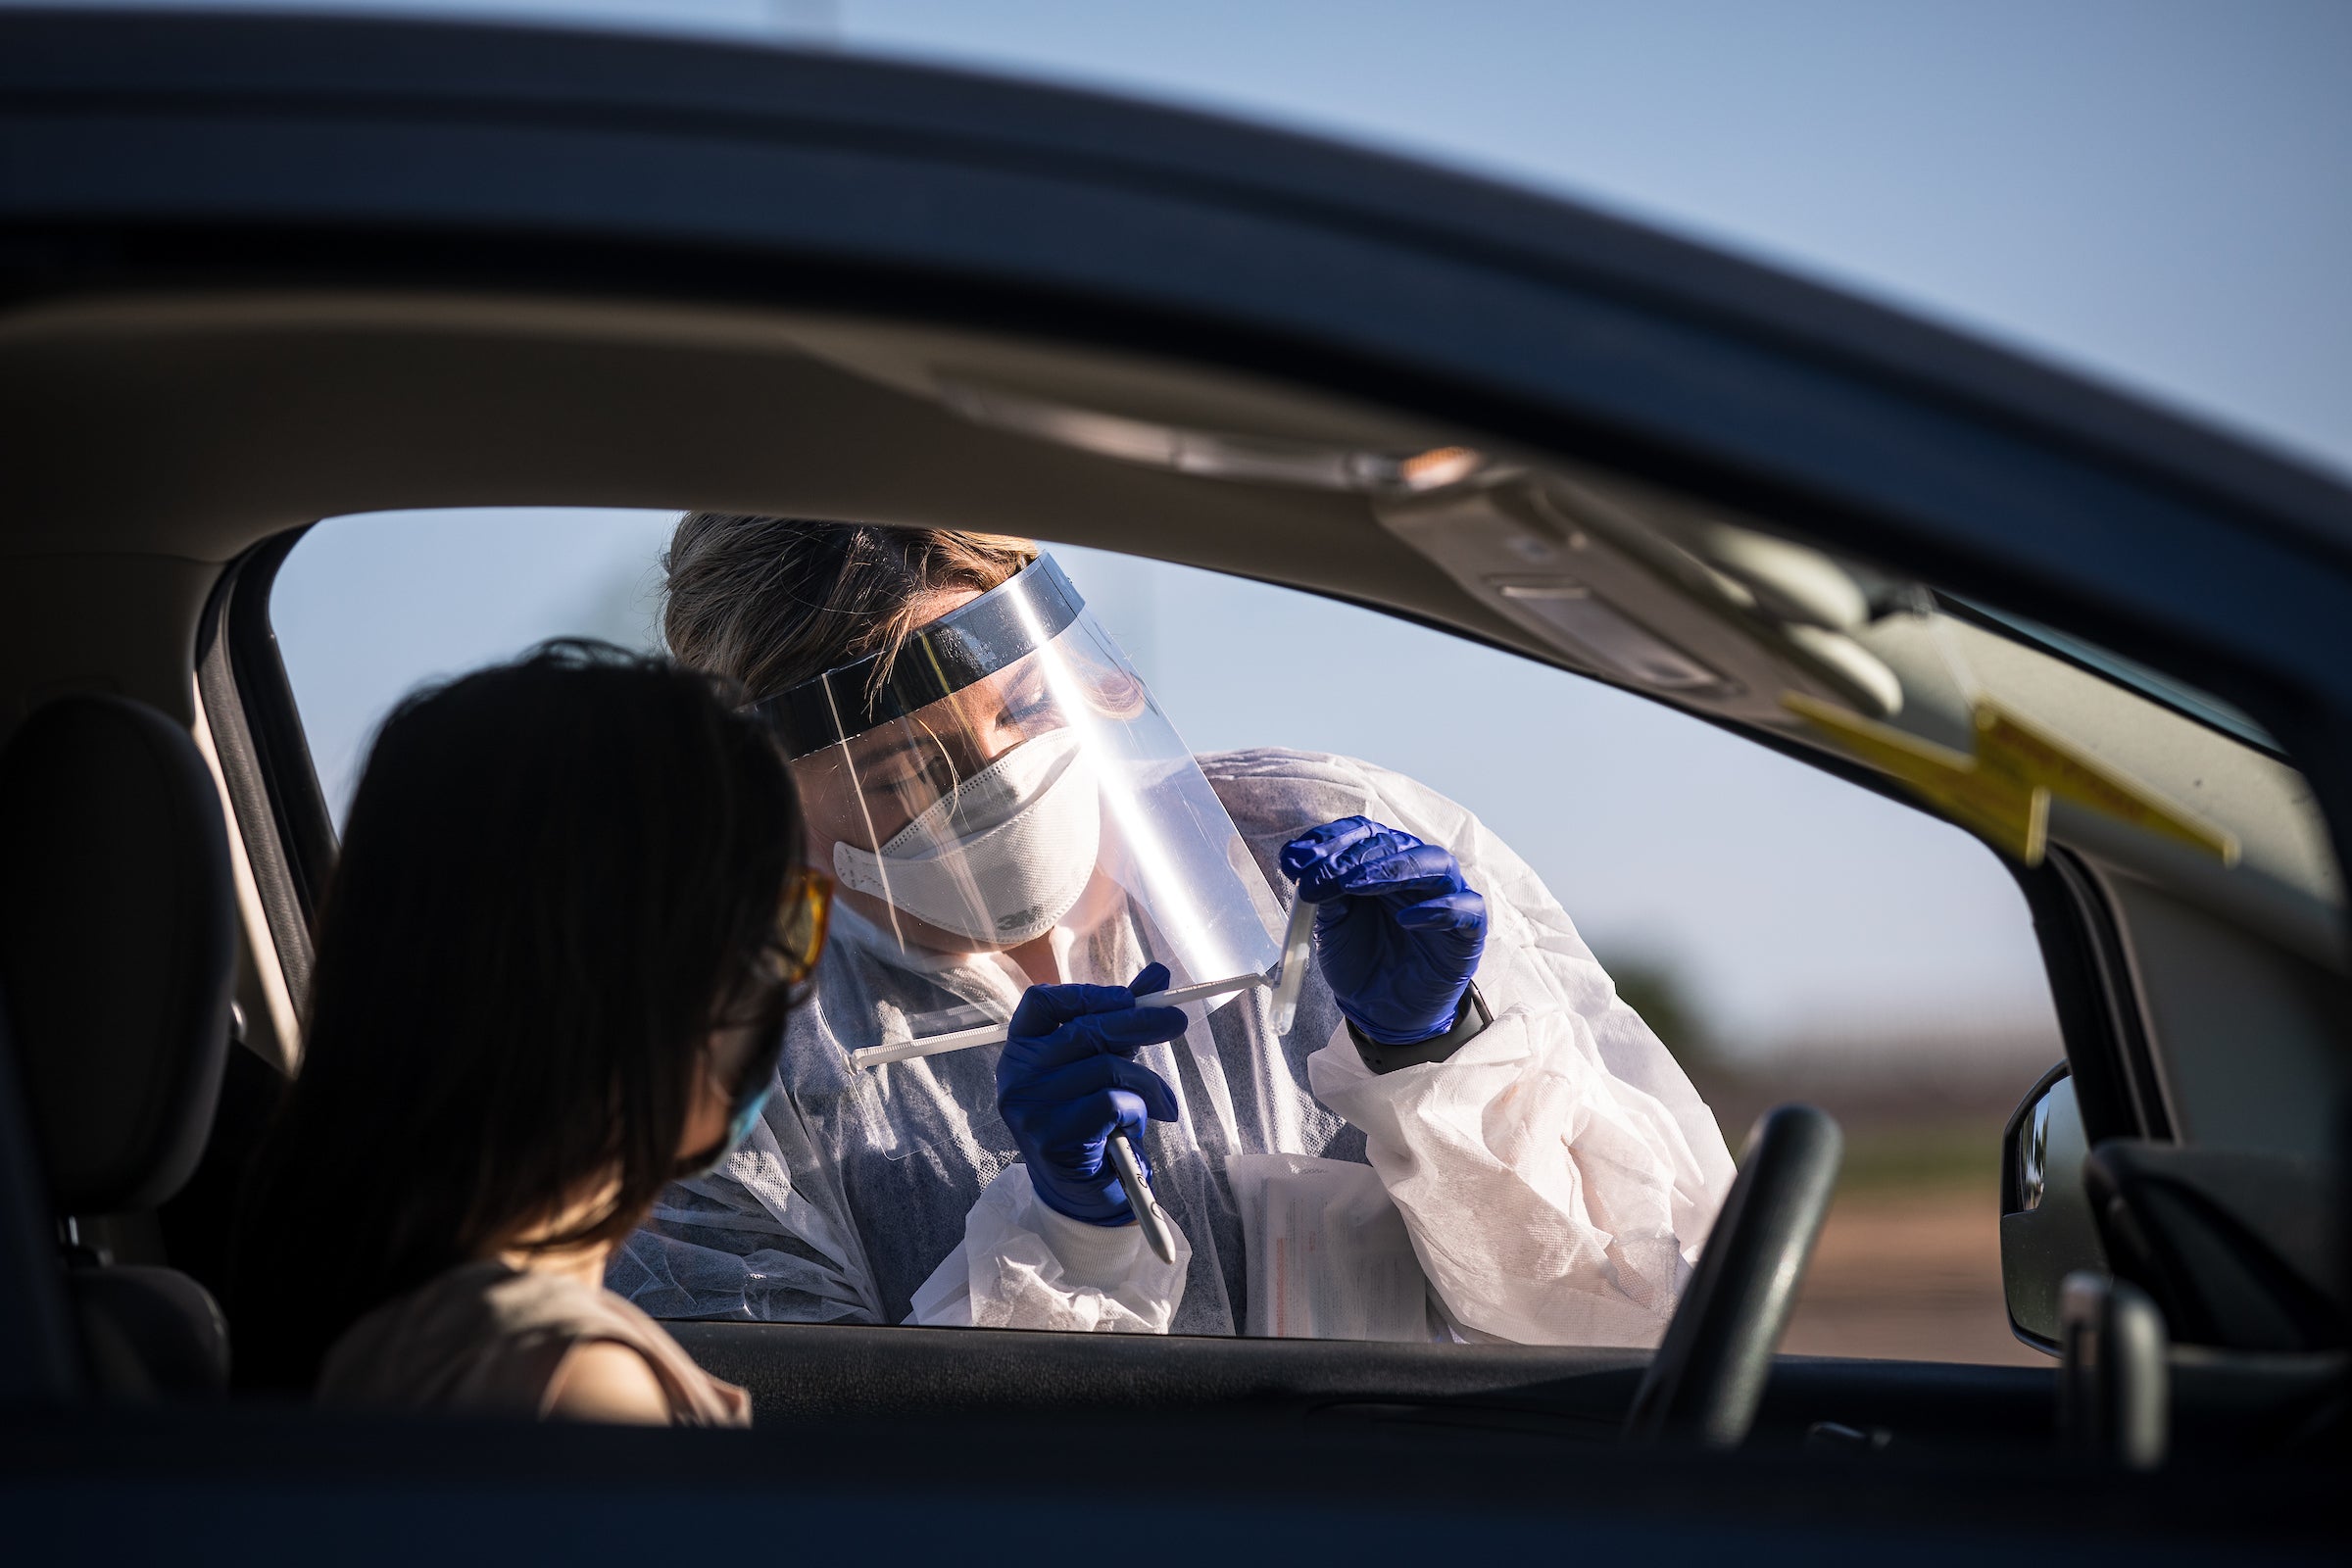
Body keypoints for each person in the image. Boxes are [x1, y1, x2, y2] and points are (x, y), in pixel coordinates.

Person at [614, 519, 1736, 1345]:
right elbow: (800, 1480)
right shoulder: (740, 1048)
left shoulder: (1308, 843)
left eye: (1028, 710)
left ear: (1099, 682)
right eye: (898, 773)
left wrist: (1439, 1061)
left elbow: (1639, 1313)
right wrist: (1066, 1245)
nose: (994, 790)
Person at [231, 642, 830, 1423]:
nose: (795, 979)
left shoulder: (380, 1301)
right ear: (641, 987)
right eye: (784, 924)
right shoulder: (571, 1390)